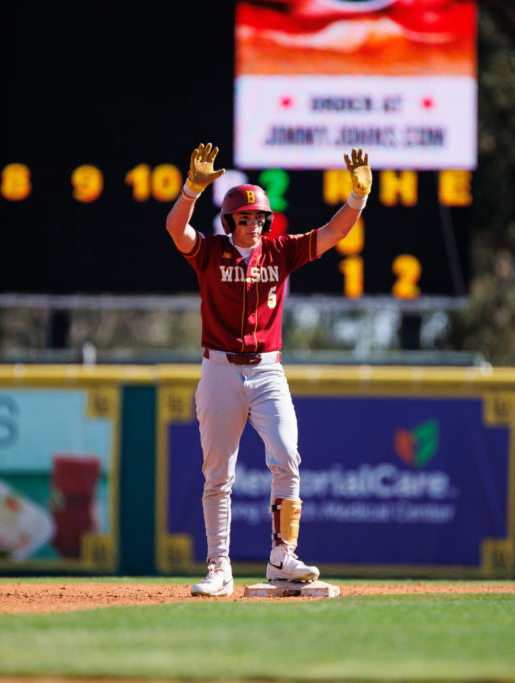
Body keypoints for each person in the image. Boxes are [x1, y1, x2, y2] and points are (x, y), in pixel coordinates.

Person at [166, 142, 372, 597]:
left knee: (287, 455)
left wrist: (357, 198)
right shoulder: (210, 251)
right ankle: (219, 567)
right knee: (218, 474)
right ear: (230, 221)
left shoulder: (280, 252)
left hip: (267, 371)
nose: (256, 224)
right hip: (219, 370)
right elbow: (176, 229)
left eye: (262, 218)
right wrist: (190, 191)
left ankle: (283, 556)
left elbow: (334, 233)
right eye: (247, 218)